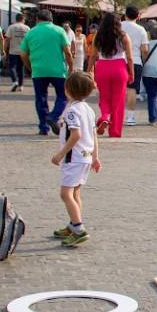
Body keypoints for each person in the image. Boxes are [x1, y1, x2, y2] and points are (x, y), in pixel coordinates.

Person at [50, 71, 101, 248]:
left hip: (74, 158)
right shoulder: (88, 109)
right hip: (85, 157)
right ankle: (73, 224)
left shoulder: (71, 111)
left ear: (67, 90)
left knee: (65, 194)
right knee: (76, 193)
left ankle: (79, 229)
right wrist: (95, 156)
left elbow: (75, 135)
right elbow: (93, 134)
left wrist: (60, 154)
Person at [21, 10, 73, 137]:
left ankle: (43, 127)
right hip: (58, 71)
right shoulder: (59, 31)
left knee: (41, 98)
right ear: (51, 19)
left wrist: (30, 67)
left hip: (38, 70)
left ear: (37, 19)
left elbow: (23, 54)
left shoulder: (30, 32)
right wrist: (71, 67)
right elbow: (67, 51)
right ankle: (53, 116)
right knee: (63, 95)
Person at [87, 12, 133, 137]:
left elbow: (93, 56)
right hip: (119, 68)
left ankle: (105, 116)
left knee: (104, 97)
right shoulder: (123, 36)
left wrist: (88, 71)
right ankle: (115, 131)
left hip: (102, 67)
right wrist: (132, 73)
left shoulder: (98, 36)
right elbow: (129, 58)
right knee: (118, 100)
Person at [120, 6, 148, 126]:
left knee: (119, 90)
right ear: (138, 16)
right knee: (132, 89)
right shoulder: (141, 29)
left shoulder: (118, 26)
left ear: (125, 15)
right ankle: (130, 117)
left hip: (119, 60)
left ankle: (115, 115)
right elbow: (145, 49)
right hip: (136, 61)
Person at [5, 12, 30, 92]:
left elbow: (7, 39)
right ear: (23, 19)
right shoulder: (27, 28)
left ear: (16, 19)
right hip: (23, 51)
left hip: (13, 50)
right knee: (21, 68)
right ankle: (21, 85)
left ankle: (14, 81)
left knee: (12, 67)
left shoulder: (11, 27)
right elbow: (29, 40)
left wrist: (5, 49)